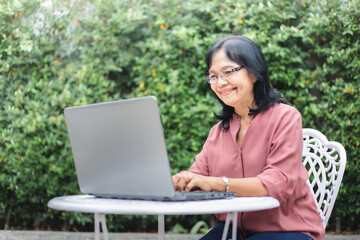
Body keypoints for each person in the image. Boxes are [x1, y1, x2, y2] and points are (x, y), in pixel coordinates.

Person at [172, 35, 325, 240]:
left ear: (254, 73)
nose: (220, 83)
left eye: (228, 72)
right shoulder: (218, 132)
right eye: (213, 76)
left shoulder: (285, 117)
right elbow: (198, 177)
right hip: (235, 231)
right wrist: (181, 181)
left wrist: (216, 182)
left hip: (290, 230)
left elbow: (275, 184)